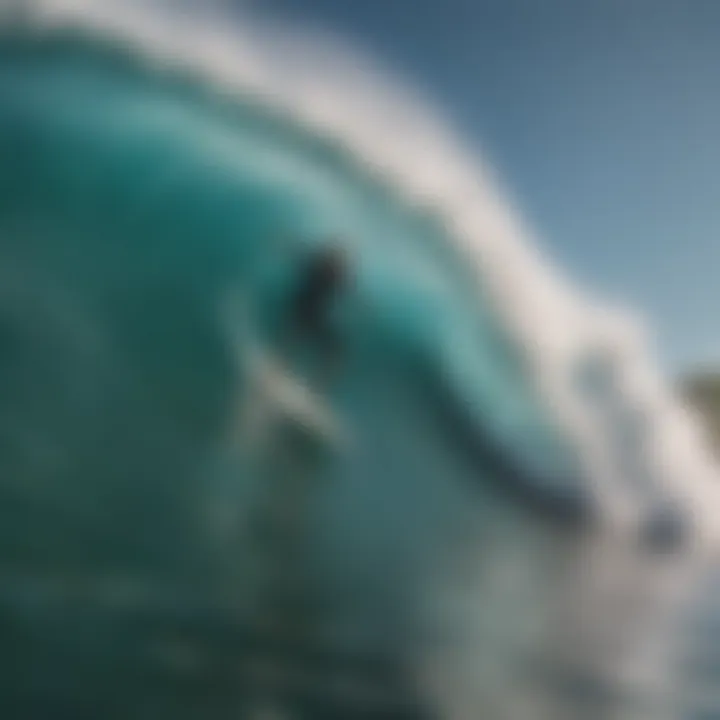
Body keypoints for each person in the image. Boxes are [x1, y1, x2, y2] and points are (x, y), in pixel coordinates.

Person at [287, 241, 350, 379]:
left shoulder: (334, 275)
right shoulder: (320, 267)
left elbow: (342, 289)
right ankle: (280, 367)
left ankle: (322, 377)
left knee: (335, 345)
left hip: (314, 314)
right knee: (296, 337)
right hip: (303, 308)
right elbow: (301, 261)